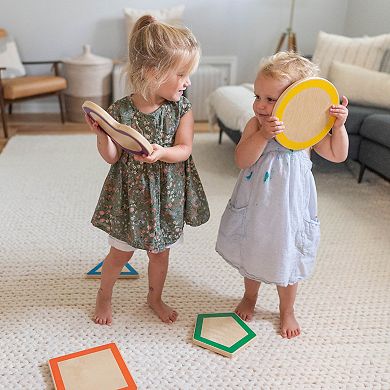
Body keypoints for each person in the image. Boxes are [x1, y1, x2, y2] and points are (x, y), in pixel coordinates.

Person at [85, 15, 210, 325]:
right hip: (130, 197)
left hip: (165, 194)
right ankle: (104, 295)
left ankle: (154, 297)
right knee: (120, 254)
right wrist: (103, 135)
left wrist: (162, 153)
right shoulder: (121, 110)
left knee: (160, 254)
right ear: (153, 73)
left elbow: (184, 149)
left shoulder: (181, 108)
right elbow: (112, 157)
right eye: (182, 74)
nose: (188, 82)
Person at [216, 51, 349, 338]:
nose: (260, 105)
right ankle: (250, 297)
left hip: (290, 211)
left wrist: (338, 128)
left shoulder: (308, 134)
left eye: (270, 99)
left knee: (288, 256)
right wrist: (263, 135)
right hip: (257, 206)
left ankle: (286, 309)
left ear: (295, 102)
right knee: (253, 249)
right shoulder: (255, 126)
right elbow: (242, 160)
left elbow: (338, 154)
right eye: (257, 96)